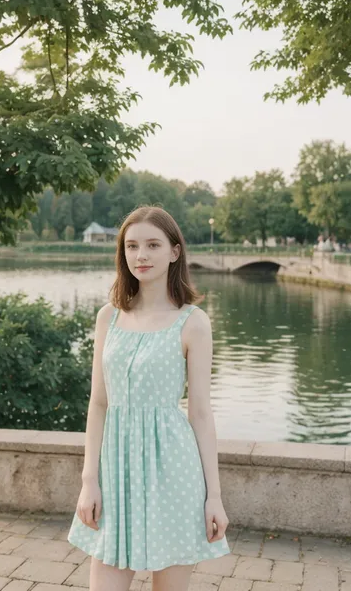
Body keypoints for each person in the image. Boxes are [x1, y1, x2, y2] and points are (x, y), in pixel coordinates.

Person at [67, 205, 231, 591]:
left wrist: (214, 497)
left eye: (153, 245)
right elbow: (99, 403)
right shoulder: (109, 316)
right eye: (132, 246)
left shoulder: (193, 322)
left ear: (175, 251)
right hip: (114, 470)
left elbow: (202, 414)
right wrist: (89, 480)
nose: (141, 255)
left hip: (173, 471)